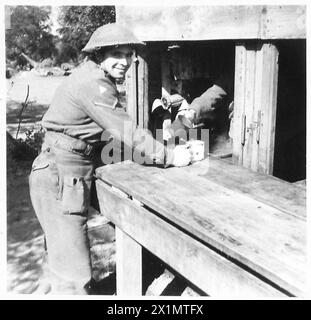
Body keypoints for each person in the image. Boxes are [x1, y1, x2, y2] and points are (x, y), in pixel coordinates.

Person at [29, 23, 192, 295]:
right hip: (62, 173)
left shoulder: (91, 77)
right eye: (117, 54)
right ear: (99, 54)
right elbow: (125, 129)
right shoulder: (94, 84)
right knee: (73, 278)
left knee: (60, 262)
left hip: (61, 167)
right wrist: (169, 155)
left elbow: (103, 135)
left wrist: (142, 152)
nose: (125, 62)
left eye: (128, 55)